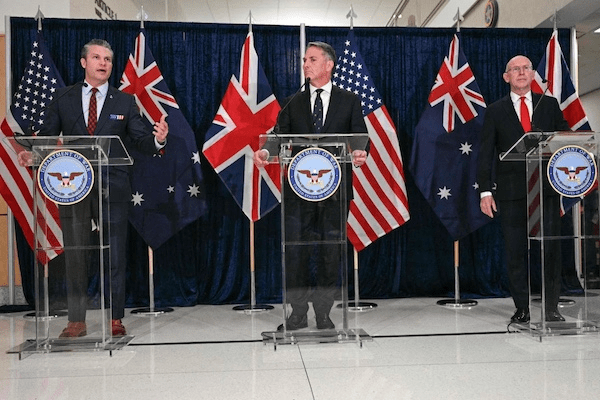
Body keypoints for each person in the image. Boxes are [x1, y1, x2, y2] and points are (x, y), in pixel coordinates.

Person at [20, 39, 168, 338]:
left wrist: (159, 139)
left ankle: (115, 318)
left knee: (115, 252)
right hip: (73, 184)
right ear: (84, 62)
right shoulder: (63, 97)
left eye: (108, 59)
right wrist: (34, 156)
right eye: (97, 57)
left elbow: (141, 140)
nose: (103, 63)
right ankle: (76, 320)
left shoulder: (124, 101)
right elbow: (47, 138)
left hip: (113, 184)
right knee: (76, 251)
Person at [254, 41, 367, 331]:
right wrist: (266, 151)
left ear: (329, 65)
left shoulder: (349, 100)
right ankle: (298, 312)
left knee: (331, 252)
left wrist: (359, 151)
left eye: (312, 59)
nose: (305, 64)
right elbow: (278, 135)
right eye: (305, 59)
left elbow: (359, 135)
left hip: (335, 191)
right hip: (299, 190)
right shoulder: (293, 101)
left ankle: (324, 313)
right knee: (297, 253)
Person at [477, 55, 570, 323]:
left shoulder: (548, 105)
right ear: (506, 77)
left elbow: (565, 140)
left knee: (550, 250)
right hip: (511, 192)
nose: (521, 72)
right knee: (516, 251)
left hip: (546, 190)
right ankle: (522, 308)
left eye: (526, 68)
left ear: (532, 75)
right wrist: (485, 192)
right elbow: (485, 154)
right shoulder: (495, 110)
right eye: (515, 69)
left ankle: (551, 308)